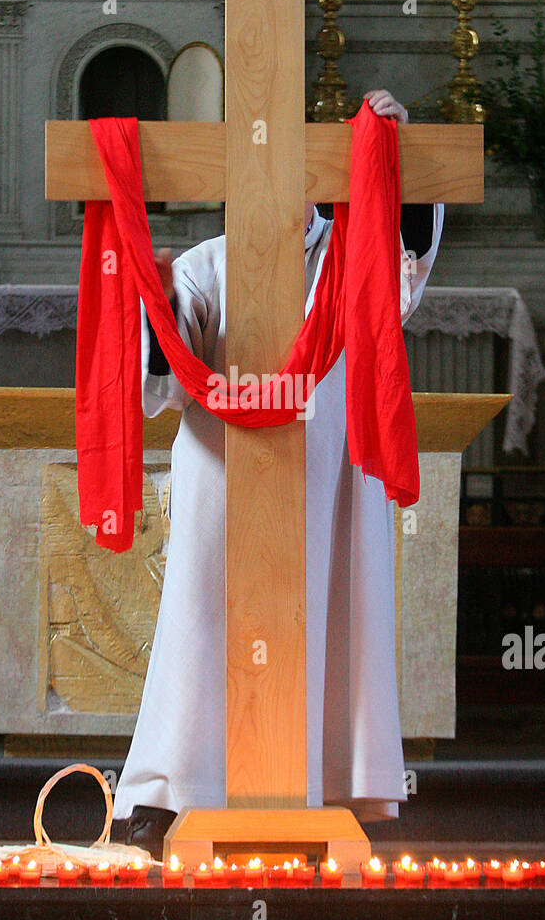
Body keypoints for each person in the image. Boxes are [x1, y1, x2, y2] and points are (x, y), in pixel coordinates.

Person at [112, 90, 445, 856]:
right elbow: (157, 387)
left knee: (326, 614)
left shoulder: (351, 259)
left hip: (324, 474)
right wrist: (158, 307)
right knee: (203, 622)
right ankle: (173, 789)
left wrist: (398, 157)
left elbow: (404, 272)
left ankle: (324, 785)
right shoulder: (207, 264)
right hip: (224, 476)